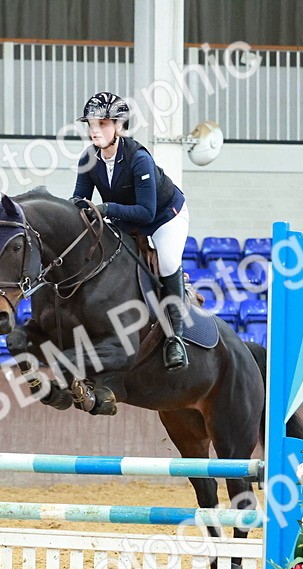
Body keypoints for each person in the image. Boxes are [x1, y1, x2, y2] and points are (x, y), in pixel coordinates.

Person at [72, 91, 190, 372]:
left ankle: (176, 337)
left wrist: (107, 209)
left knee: (167, 262)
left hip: (164, 218)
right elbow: (79, 199)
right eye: (91, 124)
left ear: (119, 127)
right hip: (125, 221)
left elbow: (146, 212)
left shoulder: (139, 159)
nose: (94, 130)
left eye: (102, 124)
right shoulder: (88, 158)